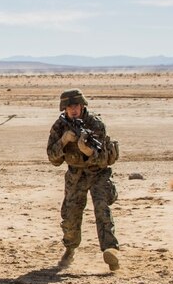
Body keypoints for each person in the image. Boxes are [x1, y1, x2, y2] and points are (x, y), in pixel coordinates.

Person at [47, 89, 120, 271]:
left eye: (76, 106)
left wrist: (88, 152)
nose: (73, 110)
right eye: (69, 106)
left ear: (82, 105)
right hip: (75, 174)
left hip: (98, 173)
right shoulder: (59, 126)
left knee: (102, 210)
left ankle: (111, 251)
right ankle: (70, 249)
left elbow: (104, 158)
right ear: (64, 108)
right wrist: (63, 142)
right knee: (70, 215)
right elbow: (53, 158)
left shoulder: (95, 123)